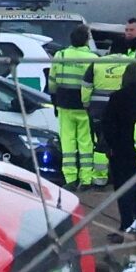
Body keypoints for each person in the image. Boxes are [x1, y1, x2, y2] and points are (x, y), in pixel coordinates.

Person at [104, 63, 136, 229]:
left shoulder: (116, 97)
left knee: (123, 188)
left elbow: (108, 124)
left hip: (121, 150)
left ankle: (126, 224)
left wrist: (111, 145)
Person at [48, 26, 96, 189]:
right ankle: (86, 179)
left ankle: (70, 179)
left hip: (64, 104)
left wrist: (54, 101)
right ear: (86, 40)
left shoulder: (60, 55)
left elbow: (52, 82)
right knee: (86, 143)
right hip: (84, 106)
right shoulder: (93, 58)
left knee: (67, 142)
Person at [88, 44, 133, 188]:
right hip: (122, 108)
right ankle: (116, 176)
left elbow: (86, 85)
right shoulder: (131, 62)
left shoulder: (97, 63)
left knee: (101, 141)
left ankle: (99, 179)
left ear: (109, 51)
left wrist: (86, 104)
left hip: (98, 108)